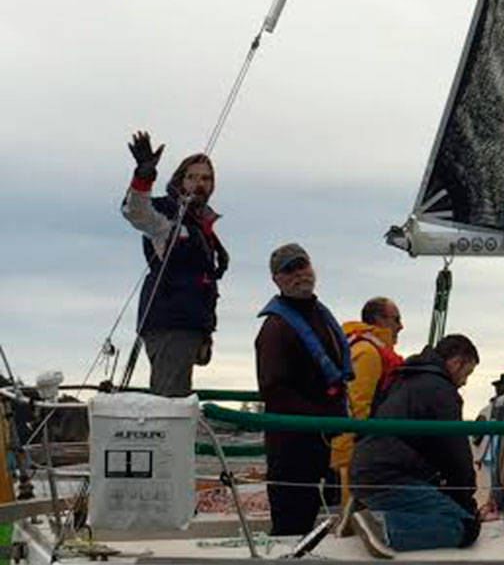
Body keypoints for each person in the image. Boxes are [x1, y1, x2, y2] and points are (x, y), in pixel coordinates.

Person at [253, 243, 352, 536]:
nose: (299, 274)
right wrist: (319, 418)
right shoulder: (275, 328)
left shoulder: (320, 315)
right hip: (292, 444)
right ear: (277, 280)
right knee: (291, 524)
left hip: (322, 440)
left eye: (302, 266)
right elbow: (273, 389)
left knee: (314, 517)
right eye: (289, 270)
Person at [349, 334, 482, 552]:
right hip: (389, 477)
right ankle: (382, 526)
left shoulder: (403, 378)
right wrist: (468, 504)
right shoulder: (442, 391)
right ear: (456, 362)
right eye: (466, 374)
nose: (464, 382)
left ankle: (362, 511)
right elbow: (456, 454)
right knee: (464, 526)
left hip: (363, 471)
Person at [120, 130, 229, 396]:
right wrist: (144, 176)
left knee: (177, 401)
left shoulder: (200, 226)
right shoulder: (167, 217)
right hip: (169, 325)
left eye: (206, 178)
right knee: (170, 404)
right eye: (192, 177)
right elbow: (136, 212)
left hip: (189, 326)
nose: (199, 183)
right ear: (179, 181)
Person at [330, 297, 406, 491]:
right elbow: (356, 407)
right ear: (380, 320)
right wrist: (347, 457)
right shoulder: (368, 353)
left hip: (364, 452)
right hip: (355, 457)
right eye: (396, 319)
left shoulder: (365, 349)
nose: (401, 326)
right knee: (354, 513)